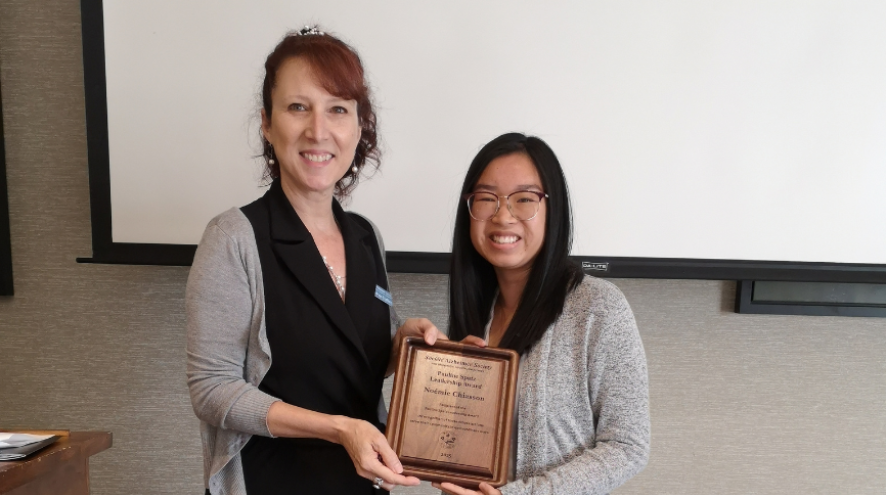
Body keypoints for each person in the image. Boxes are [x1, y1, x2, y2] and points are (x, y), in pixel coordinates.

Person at [186, 27, 442, 495]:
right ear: (267, 122)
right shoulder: (233, 238)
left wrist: (402, 343)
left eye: (338, 109)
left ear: (359, 126)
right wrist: (339, 428)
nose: (318, 130)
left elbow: (352, 359)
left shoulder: (365, 236)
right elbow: (212, 389)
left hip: (363, 483)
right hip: (272, 481)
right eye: (298, 107)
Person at [435, 133, 650, 495]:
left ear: (554, 209)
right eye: (487, 198)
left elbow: (627, 447)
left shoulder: (599, 307)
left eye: (524, 199)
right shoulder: (476, 312)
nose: (503, 216)